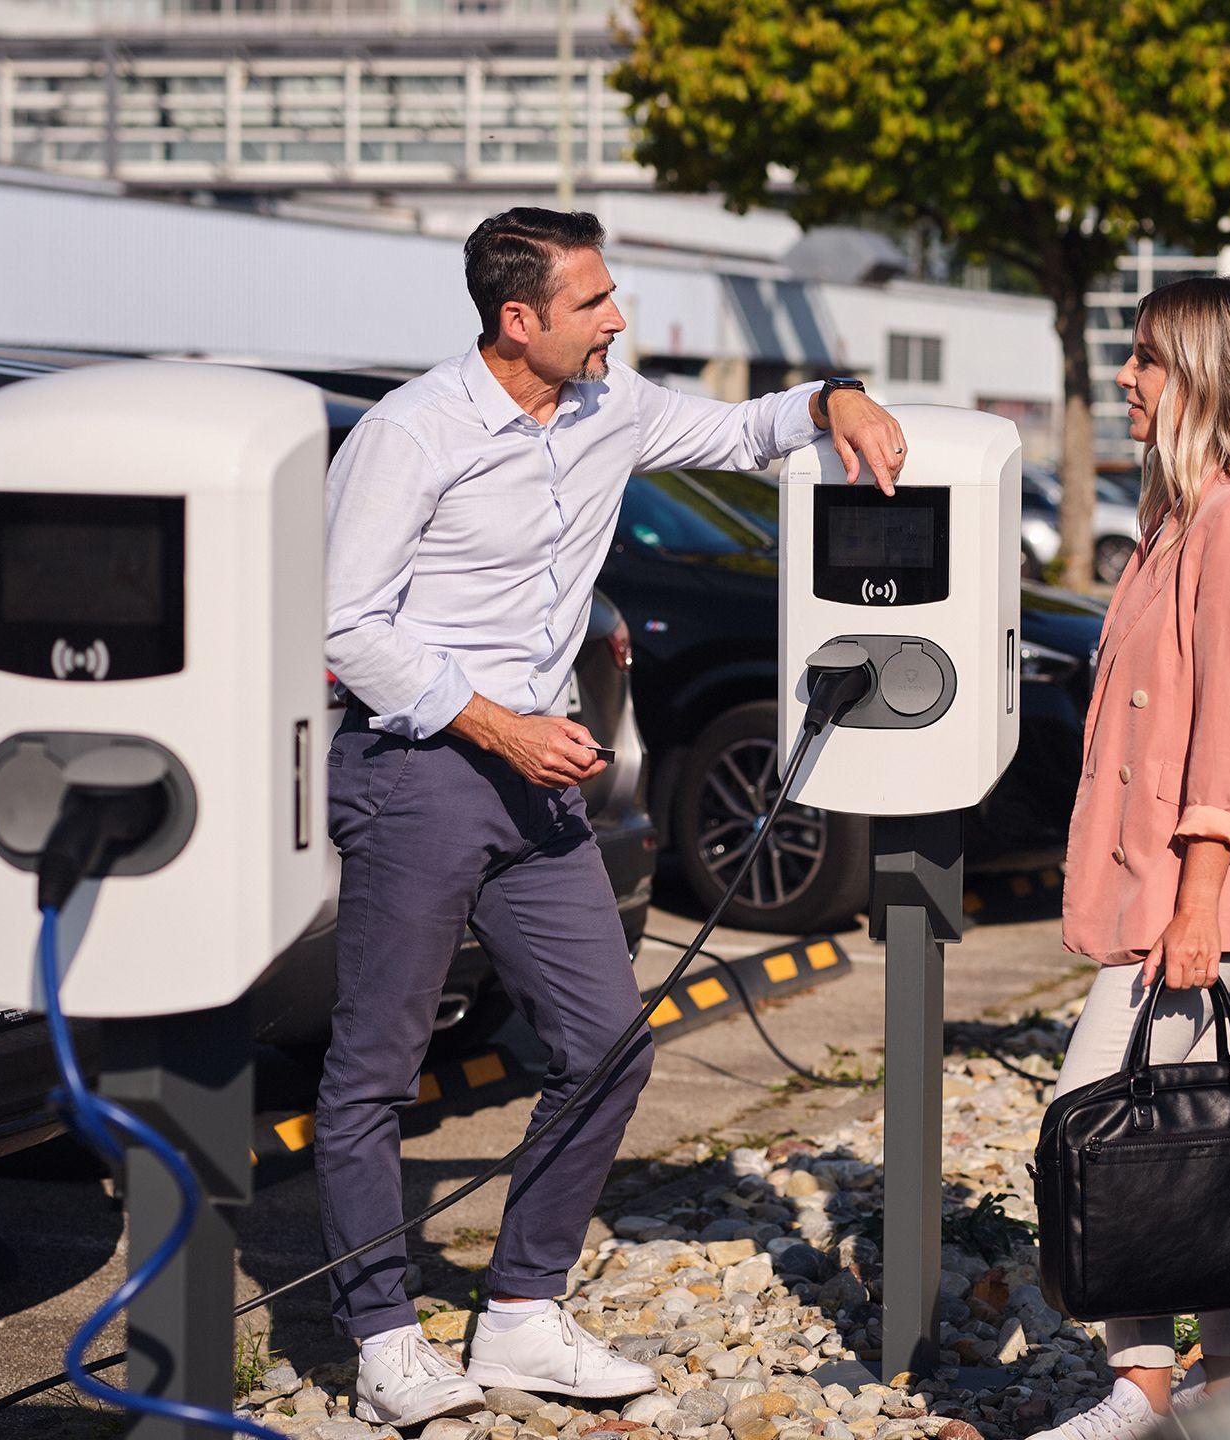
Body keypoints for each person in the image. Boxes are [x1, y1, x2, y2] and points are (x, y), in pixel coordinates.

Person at [320, 207, 909, 1428]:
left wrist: (837, 400)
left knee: (607, 1042)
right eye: (593, 302)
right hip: (421, 767)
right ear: (517, 318)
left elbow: (750, 429)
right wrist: (495, 723)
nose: (618, 319)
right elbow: (348, 628)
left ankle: (521, 1315)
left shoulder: (609, 406)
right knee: (377, 1070)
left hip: (536, 782)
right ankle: (378, 1336)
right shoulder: (409, 432)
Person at [1025, 275, 1230, 1440]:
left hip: (1190, 891)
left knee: (1101, 1127)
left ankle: (1142, 1392)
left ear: (1204, 373)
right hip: (1159, 884)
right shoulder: (1175, 519)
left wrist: (1198, 898)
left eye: (1147, 359)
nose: (1125, 379)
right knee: (1193, 1129)